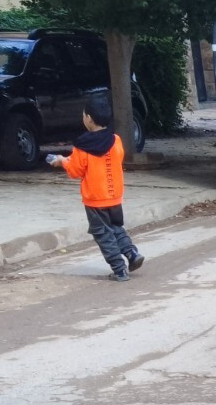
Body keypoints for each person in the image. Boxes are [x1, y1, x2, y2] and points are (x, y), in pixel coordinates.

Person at [46, 97, 144, 282]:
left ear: (89, 118)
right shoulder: (116, 141)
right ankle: (131, 253)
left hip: (95, 199)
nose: (83, 117)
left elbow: (76, 171)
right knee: (116, 227)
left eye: (83, 114)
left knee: (103, 234)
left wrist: (62, 161)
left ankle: (119, 269)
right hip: (115, 195)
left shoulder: (82, 146)